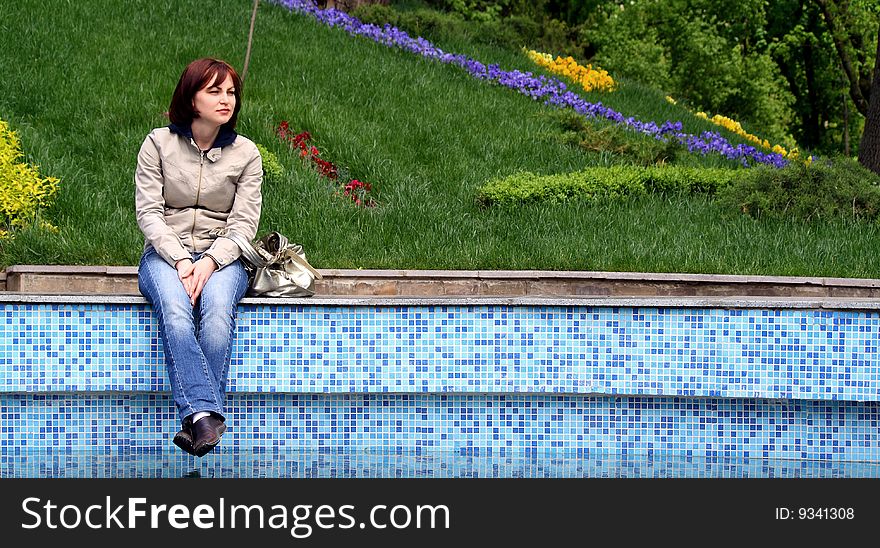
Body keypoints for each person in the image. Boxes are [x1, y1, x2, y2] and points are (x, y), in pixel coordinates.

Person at [135, 58, 262, 457]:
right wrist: (180, 260)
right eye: (215, 91)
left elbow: (244, 226)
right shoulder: (158, 144)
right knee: (175, 308)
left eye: (231, 92)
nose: (227, 99)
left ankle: (197, 420)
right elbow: (149, 214)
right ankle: (206, 415)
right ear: (192, 99)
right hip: (163, 255)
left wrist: (208, 262)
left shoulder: (246, 154)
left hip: (223, 257)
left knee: (218, 306)